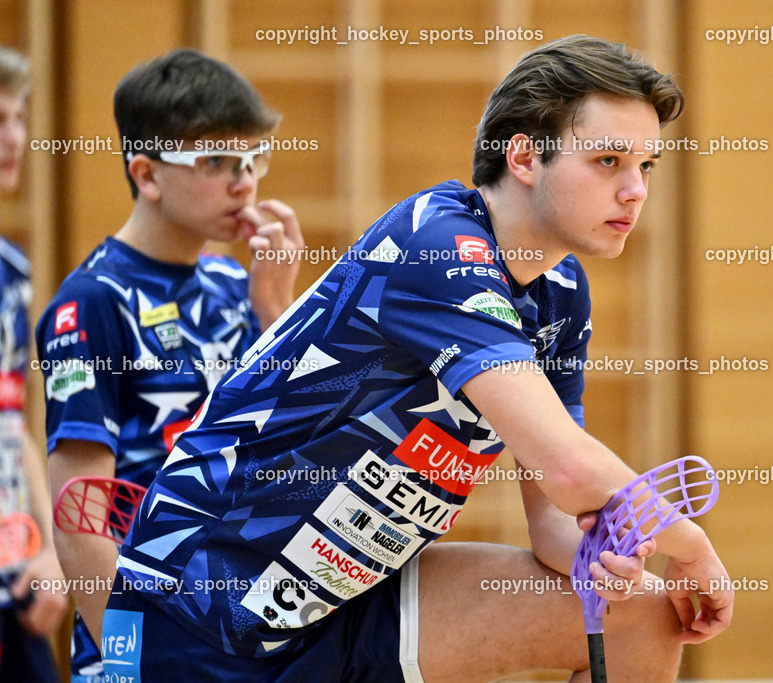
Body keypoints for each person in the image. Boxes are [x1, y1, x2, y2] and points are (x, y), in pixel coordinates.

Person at [106, 35, 733, 682]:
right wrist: (691, 546)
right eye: (608, 160)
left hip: (347, 600)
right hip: (199, 607)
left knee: (643, 616)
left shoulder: (561, 293)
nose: (635, 190)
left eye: (646, 165)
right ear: (524, 157)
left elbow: (554, 516)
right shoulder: (437, 246)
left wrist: (600, 557)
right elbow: (572, 469)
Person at [36, 49, 303, 682]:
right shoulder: (92, 302)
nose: (244, 182)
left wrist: (278, 314)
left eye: (252, 159)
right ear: (148, 175)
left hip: (242, 631)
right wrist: (130, 661)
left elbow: (293, 443)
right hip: (141, 648)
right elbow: (78, 515)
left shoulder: (236, 285)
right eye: (216, 162)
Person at [0, 45, 68, 683]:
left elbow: (13, 421)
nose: (14, 138)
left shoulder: (11, 274)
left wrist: (47, 547)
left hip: (10, 579)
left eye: (18, 118)